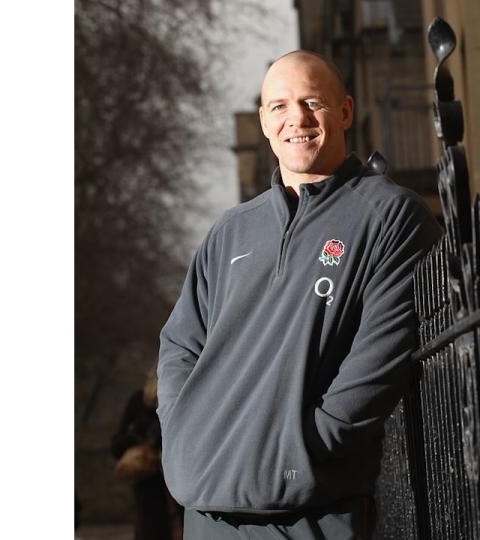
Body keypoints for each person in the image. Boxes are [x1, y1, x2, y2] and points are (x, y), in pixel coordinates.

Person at [156, 50, 441, 539]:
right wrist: (187, 433)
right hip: (207, 513)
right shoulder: (230, 231)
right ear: (266, 123)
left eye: (313, 102)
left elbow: (380, 358)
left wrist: (305, 448)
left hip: (311, 513)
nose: (298, 119)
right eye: (281, 106)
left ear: (346, 111)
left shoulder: (390, 216)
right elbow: (180, 346)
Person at [111, 367, 184, 540]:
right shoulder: (139, 402)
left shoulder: (181, 400)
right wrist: (138, 434)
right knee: (152, 528)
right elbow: (116, 445)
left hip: (177, 482)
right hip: (149, 484)